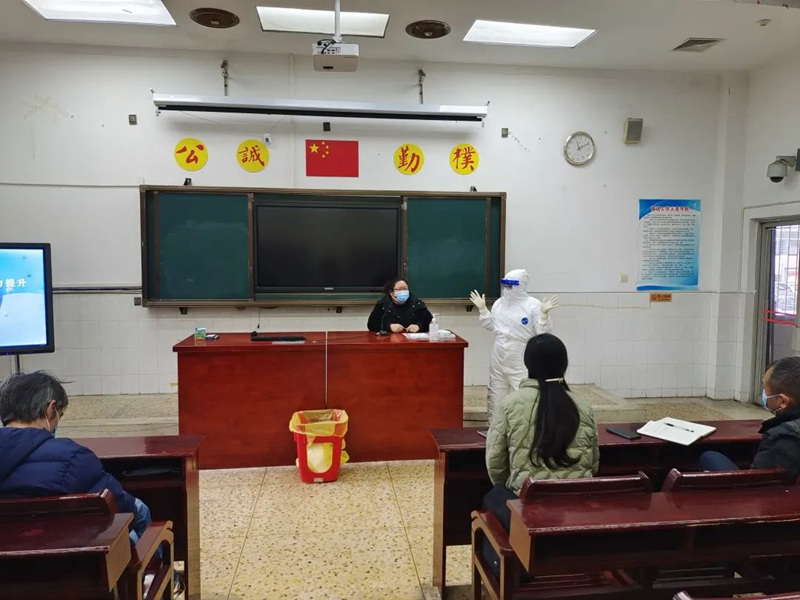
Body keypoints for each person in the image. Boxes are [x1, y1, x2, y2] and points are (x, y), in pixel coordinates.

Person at [481, 333, 598, 574]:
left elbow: (495, 464)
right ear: (564, 365)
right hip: (577, 510)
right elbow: (593, 464)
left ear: (527, 363)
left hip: (526, 511)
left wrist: (511, 488)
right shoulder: (583, 406)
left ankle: (501, 570)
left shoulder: (509, 404)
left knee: (493, 496)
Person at [0, 372, 154, 545]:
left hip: (6, 557)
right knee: (141, 511)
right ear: (50, 409)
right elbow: (123, 509)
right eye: (60, 415)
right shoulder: (73, 458)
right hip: (64, 557)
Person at [470, 268, 559, 424]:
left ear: (521, 286)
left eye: (511, 285)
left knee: (524, 396)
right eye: (505, 285)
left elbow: (542, 332)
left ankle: (526, 430)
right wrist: (483, 310)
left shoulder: (533, 305)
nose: (507, 289)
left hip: (521, 358)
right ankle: (495, 429)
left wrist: (544, 315)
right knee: (496, 396)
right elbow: (492, 326)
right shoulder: (499, 304)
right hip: (499, 356)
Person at [699, 356, 800, 482]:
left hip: (768, 492)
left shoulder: (781, 439)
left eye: (765, 389)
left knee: (709, 457)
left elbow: (759, 482)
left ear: (782, 401)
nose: (763, 393)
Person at [367, 278, 433, 333]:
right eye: (399, 289)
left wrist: (419, 326)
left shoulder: (417, 304)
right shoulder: (383, 304)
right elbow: (372, 325)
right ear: (391, 292)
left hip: (412, 340)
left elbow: (430, 322)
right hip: (389, 340)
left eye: (405, 289)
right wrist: (389, 326)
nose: (403, 292)